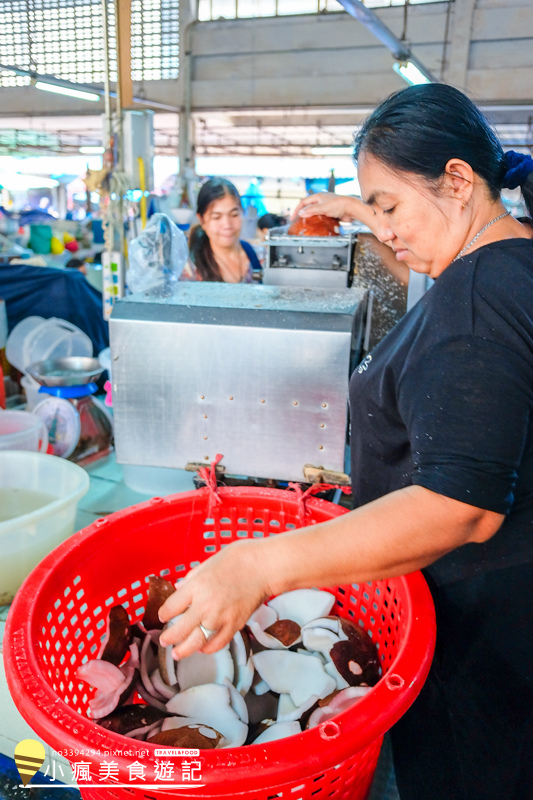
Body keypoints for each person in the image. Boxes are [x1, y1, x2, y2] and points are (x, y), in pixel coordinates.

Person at [158, 84, 533, 800]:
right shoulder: (508, 263)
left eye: (389, 207)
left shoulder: (477, 296)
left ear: (458, 180)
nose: (383, 231)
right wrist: (362, 209)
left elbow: (460, 505)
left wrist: (257, 566)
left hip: (489, 639)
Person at [183, 177, 261, 282]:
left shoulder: (260, 257)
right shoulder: (189, 270)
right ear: (202, 220)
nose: (227, 225)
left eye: (234, 215)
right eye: (216, 217)